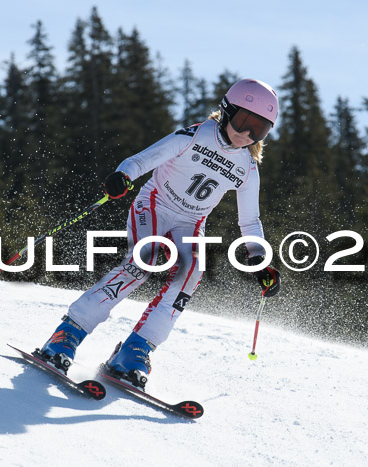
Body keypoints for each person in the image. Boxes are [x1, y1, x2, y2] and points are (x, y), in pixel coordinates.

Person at [37, 79, 282, 389]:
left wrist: (260, 261)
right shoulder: (194, 136)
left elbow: (250, 222)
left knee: (191, 273)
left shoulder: (247, 168)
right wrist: (123, 177)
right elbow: (141, 160)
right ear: (226, 110)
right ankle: (67, 334)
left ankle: (135, 351)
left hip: (190, 223)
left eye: (258, 129)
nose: (247, 134)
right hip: (155, 204)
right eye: (244, 121)